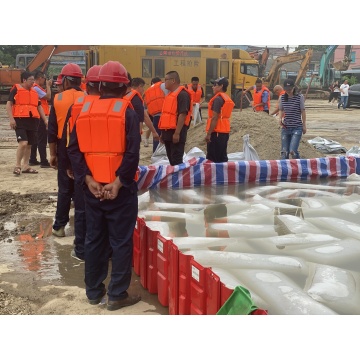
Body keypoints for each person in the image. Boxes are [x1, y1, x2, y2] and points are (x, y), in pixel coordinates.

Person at [67, 60, 142, 311]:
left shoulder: (84, 112)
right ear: (125, 87)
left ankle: (93, 292)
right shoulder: (127, 112)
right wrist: (119, 182)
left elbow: (74, 150)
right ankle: (117, 294)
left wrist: (87, 180)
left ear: (99, 85)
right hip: (119, 191)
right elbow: (132, 154)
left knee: (94, 239)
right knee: (120, 241)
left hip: (93, 190)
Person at [63, 65, 103, 261]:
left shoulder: (77, 106)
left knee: (82, 210)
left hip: (83, 169)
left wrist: (69, 166)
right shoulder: (120, 107)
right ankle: (106, 252)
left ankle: (81, 250)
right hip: (109, 172)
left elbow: (68, 140)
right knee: (107, 213)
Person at [48, 63, 85, 237]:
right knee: (80, 186)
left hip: (64, 146)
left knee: (64, 188)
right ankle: (81, 228)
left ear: (67, 81)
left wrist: (53, 154)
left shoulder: (57, 99)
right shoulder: (87, 97)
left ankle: (59, 227)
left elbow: (52, 131)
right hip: (83, 146)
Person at [6, 71, 46, 175]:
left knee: (29, 144)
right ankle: (18, 165)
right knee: (23, 143)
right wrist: (11, 119)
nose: (33, 82)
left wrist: (45, 120)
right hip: (19, 120)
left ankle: (25, 166)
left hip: (32, 120)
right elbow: (9, 104)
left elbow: (39, 106)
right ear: (24, 80)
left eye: (33, 80)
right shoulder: (16, 89)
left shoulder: (34, 92)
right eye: (30, 80)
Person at [158, 70, 192, 166]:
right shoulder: (170, 95)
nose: (164, 82)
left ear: (173, 80)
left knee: (176, 160)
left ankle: (179, 180)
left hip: (176, 133)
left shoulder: (182, 95)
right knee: (171, 160)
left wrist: (177, 133)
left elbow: (182, 114)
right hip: (167, 134)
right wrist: (163, 134)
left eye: (166, 80)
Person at [205, 77, 234, 163]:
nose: (212, 87)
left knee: (212, 159)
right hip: (224, 132)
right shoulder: (226, 98)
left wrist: (209, 134)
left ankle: (214, 176)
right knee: (222, 157)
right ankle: (224, 175)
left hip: (216, 132)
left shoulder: (217, 99)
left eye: (215, 85)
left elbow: (214, 117)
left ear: (221, 86)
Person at [124, 76, 159, 146]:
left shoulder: (123, 96)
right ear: (139, 86)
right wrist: (154, 132)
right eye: (143, 87)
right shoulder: (136, 98)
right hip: (133, 134)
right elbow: (145, 117)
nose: (143, 90)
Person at [278, 78, 306, 159]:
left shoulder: (299, 97)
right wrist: (280, 118)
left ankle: (299, 167)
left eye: (290, 89)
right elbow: (281, 109)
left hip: (297, 127)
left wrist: (304, 125)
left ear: (293, 87)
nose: (288, 91)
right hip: (286, 127)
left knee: (292, 151)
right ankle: (284, 169)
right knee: (284, 152)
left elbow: (303, 111)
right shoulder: (282, 98)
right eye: (286, 89)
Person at [29, 71, 52, 168]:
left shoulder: (35, 88)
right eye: (44, 79)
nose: (45, 80)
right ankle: (44, 161)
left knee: (35, 138)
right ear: (40, 78)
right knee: (42, 139)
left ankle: (33, 159)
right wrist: (48, 86)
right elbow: (48, 97)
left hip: (36, 116)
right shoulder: (36, 88)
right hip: (40, 116)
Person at [143, 76, 169, 152]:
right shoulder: (163, 85)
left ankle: (156, 153)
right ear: (160, 81)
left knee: (156, 136)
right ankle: (165, 153)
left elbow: (145, 104)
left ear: (152, 83)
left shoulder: (147, 91)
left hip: (155, 116)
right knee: (166, 136)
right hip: (165, 115)